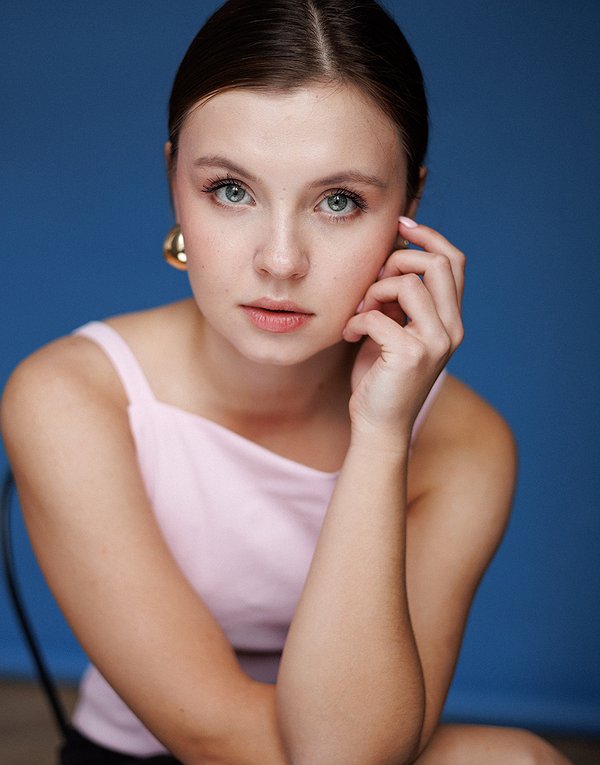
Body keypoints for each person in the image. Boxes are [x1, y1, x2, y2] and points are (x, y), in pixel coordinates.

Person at [1, 1, 571, 763]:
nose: (279, 261)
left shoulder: (466, 442)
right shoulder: (70, 395)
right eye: (231, 190)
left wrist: (379, 434)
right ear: (174, 180)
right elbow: (273, 743)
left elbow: (357, 747)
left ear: (409, 208)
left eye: (339, 202)